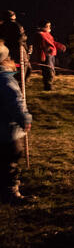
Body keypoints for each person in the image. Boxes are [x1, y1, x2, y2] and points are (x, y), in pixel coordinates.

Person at [0, 42, 31, 204]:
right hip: (6, 132)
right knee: (10, 161)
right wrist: (24, 118)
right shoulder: (6, 81)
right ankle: (11, 193)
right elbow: (16, 102)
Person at [29, 21, 65, 91]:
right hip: (46, 55)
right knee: (48, 71)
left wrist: (59, 46)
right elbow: (39, 46)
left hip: (51, 55)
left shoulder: (47, 34)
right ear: (43, 27)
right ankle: (48, 87)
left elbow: (52, 42)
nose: (49, 27)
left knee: (51, 70)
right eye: (48, 26)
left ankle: (49, 85)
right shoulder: (39, 35)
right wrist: (43, 54)